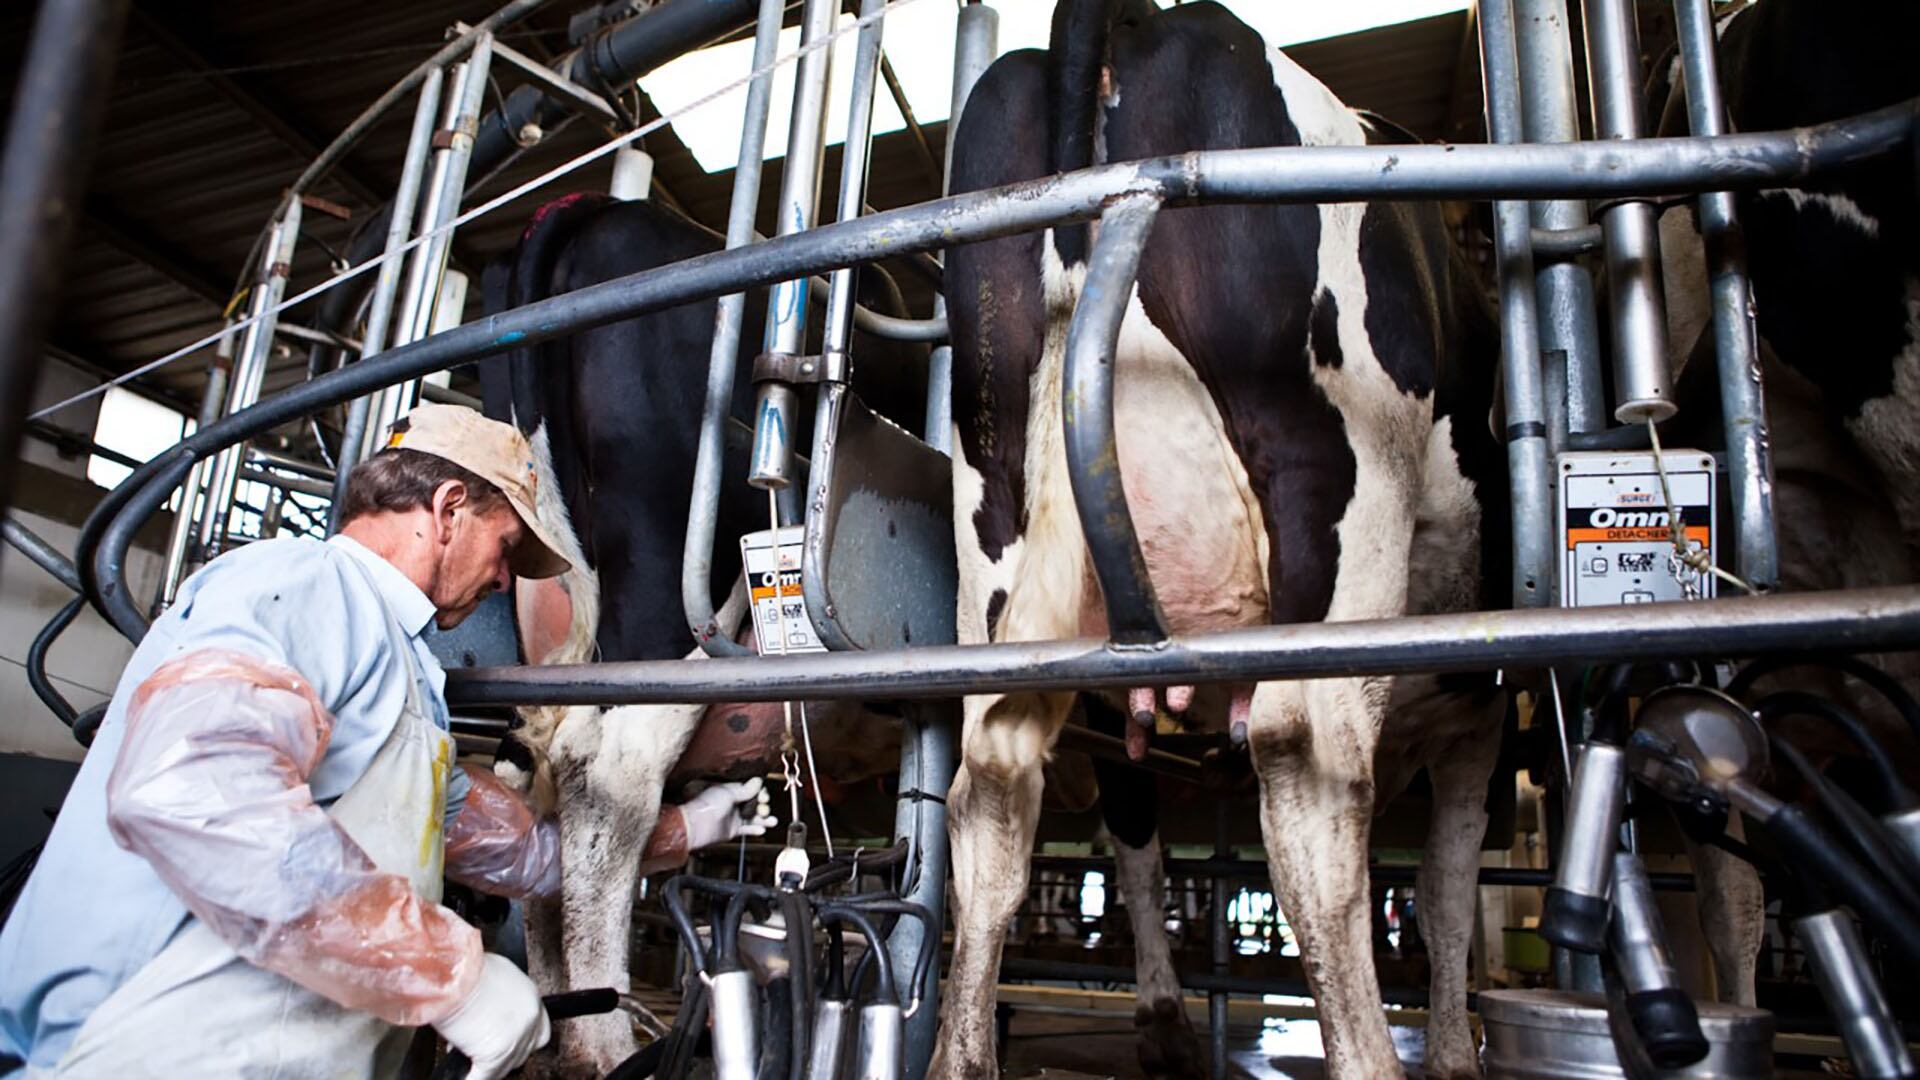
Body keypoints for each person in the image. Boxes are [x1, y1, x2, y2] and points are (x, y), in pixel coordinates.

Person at [0, 405, 772, 1079]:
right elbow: (195, 795)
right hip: (136, 1053)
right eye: (505, 551)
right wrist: (449, 974)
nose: (506, 583)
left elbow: (518, 854)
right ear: (446, 510)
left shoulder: (404, 675)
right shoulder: (300, 587)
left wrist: (689, 828)